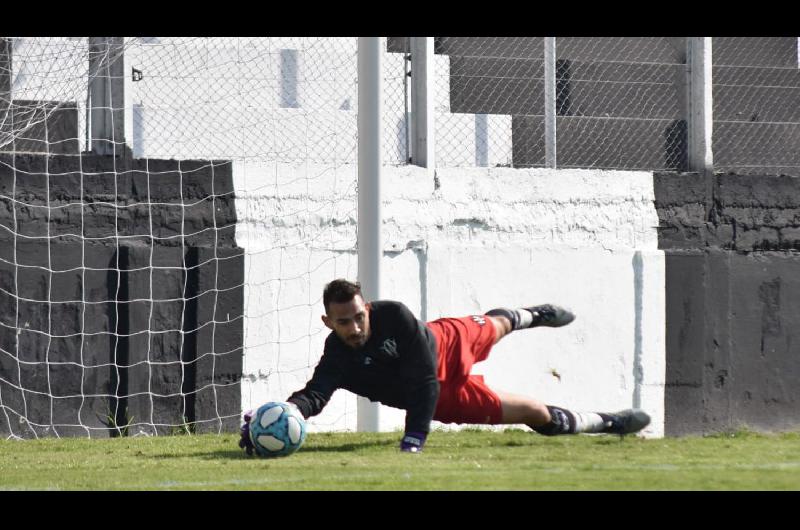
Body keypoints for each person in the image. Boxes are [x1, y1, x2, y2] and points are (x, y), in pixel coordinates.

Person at [239, 278, 650, 454]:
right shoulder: (337, 356)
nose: (355, 326)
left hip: (446, 345)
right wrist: (287, 413)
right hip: (441, 396)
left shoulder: (395, 316)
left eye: (359, 316)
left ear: (367, 307)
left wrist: (414, 438)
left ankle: (530, 314)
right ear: (329, 323)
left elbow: (421, 379)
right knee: (532, 413)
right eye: (344, 322)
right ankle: (607, 423)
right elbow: (316, 393)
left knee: (496, 325)